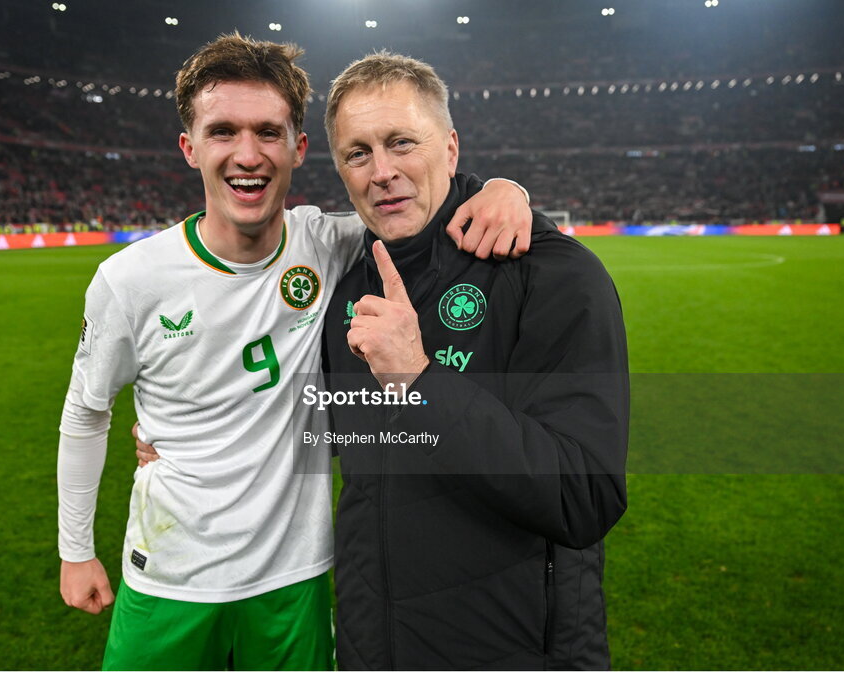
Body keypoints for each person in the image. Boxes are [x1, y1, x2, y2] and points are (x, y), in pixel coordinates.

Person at [57, 34, 534, 670]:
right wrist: (75, 548)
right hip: (169, 574)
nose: (247, 155)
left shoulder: (330, 243)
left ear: (299, 148)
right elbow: (87, 412)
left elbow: (415, 199)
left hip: (296, 578)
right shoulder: (130, 280)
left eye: (269, 132)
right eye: (222, 131)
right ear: (189, 146)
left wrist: (504, 187)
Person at [318, 53, 631, 669]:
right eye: (358, 153)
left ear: (452, 148)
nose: (382, 171)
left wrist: (420, 381)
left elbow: (584, 497)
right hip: (371, 646)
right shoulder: (346, 288)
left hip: (512, 650)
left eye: (402, 142)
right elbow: (338, 440)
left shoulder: (552, 273)